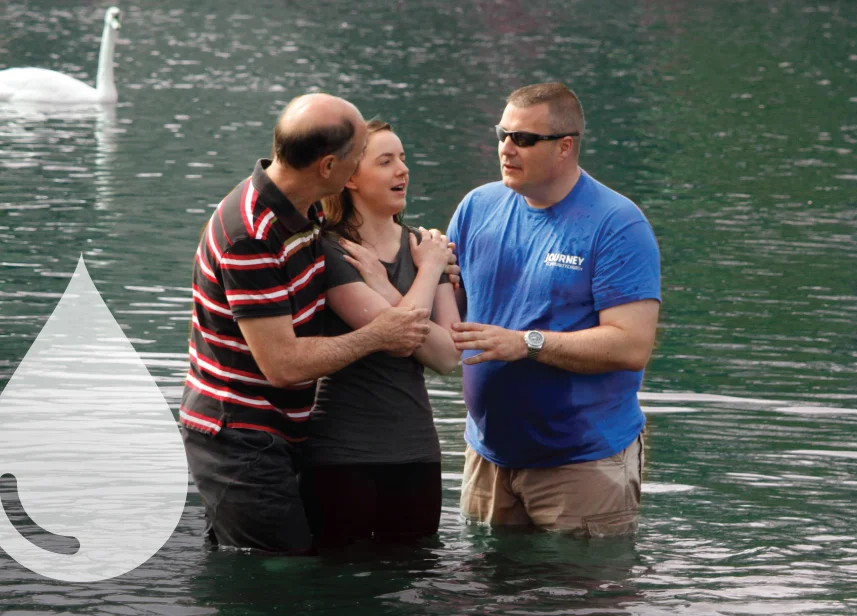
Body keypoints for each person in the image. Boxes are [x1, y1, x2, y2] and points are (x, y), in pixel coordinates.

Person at [180, 94, 433, 554]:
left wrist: (392, 273)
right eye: (359, 155)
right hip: (238, 434)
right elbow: (283, 364)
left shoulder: (305, 209)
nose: (362, 166)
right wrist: (378, 335)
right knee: (278, 570)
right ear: (329, 167)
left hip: (281, 428)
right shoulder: (251, 234)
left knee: (283, 561)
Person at [446, 82, 662, 536]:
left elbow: (631, 345)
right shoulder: (476, 208)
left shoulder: (617, 224)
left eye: (523, 139)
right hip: (487, 456)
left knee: (578, 604)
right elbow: (450, 315)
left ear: (565, 147)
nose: (507, 148)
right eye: (502, 134)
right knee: (484, 602)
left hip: (582, 464)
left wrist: (524, 344)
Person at [302, 120, 462, 549]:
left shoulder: (426, 246)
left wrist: (388, 284)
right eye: (386, 161)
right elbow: (404, 337)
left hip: (417, 450)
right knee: (345, 585)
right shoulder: (332, 251)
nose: (403, 171)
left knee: (415, 581)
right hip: (342, 453)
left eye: (404, 159)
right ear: (350, 176)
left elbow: (448, 357)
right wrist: (429, 273)